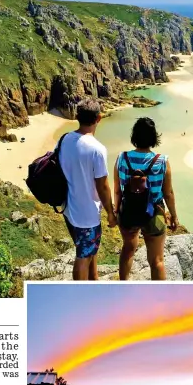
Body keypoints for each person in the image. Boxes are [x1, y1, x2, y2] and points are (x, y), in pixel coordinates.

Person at [114, 117, 179, 280]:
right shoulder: (162, 161)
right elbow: (168, 193)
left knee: (128, 250)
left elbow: (117, 191)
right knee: (157, 260)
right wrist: (174, 216)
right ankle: (159, 299)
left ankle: (123, 289)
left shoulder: (122, 158)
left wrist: (115, 211)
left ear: (134, 136)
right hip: (154, 213)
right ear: (154, 137)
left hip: (127, 211)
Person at [58, 99, 116, 281]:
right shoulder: (97, 149)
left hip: (69, 209)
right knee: (83, 256)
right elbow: (103, 186)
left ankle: (94, 281)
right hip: (87, 215)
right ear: (99, 118)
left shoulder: (65, 139)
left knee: (90, 251)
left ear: (77, 117)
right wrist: (111, 213)